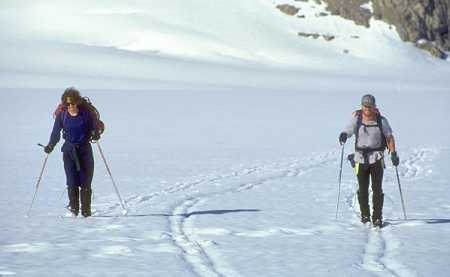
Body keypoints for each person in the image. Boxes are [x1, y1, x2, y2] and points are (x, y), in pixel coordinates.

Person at [338, 94, 400, 227]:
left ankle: (377, 217)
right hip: (360, 159)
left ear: (374, 106)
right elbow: (349, 129)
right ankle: (365, 215)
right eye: (365, 106)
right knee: (363, 188)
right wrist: (344, 134)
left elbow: (389, 137)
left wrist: (393, 153)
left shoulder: (381, 120)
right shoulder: (357, 118)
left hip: (377, 158)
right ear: (362, 106)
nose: (367, 109)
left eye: (370, 106)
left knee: (377, 189)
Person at [44, 87, 101, 217]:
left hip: (85, 151)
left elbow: (94, 128)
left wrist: (95, 134)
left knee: (86, 181)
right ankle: (74, 210)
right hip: (69, 152)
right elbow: (55, 133)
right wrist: (50, 146)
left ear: (77, 102)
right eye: (67, 104)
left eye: (73, 103)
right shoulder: (62, 115)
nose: (70, 106)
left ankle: (86, 212)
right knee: (71, 180)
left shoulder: (86, 113)